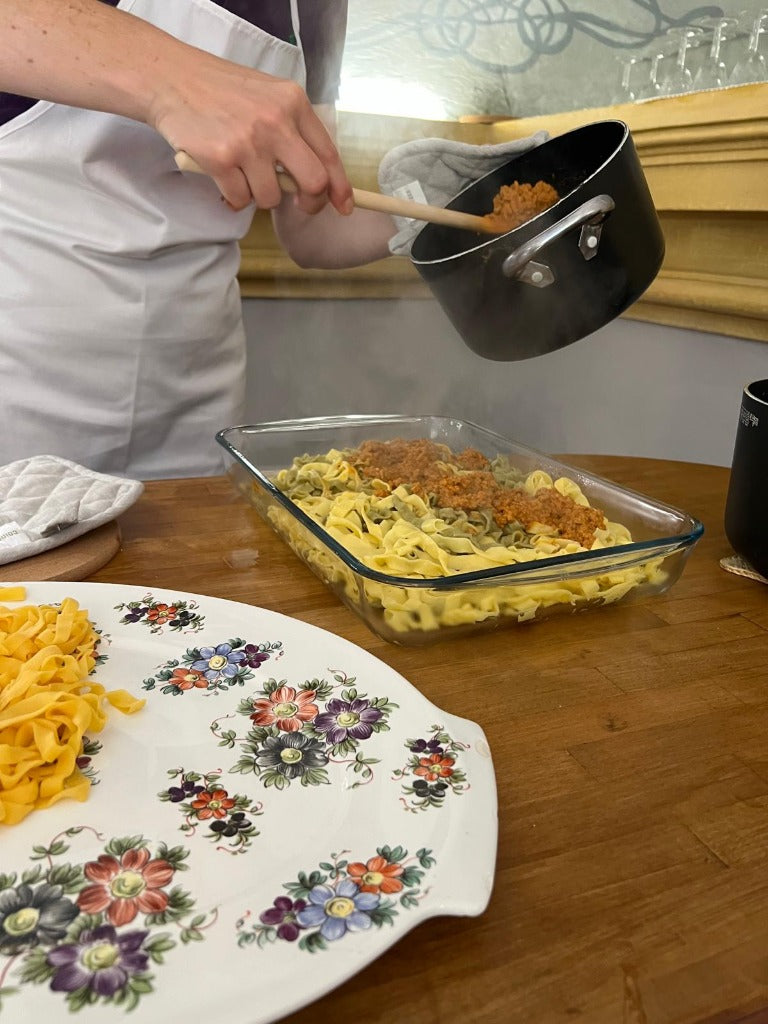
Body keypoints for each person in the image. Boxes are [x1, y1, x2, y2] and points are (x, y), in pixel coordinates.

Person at [0, 0, 397, 479]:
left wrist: (439, 211)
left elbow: (313, 221)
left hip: (196, 387)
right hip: (22, 373)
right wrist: (172, 79)